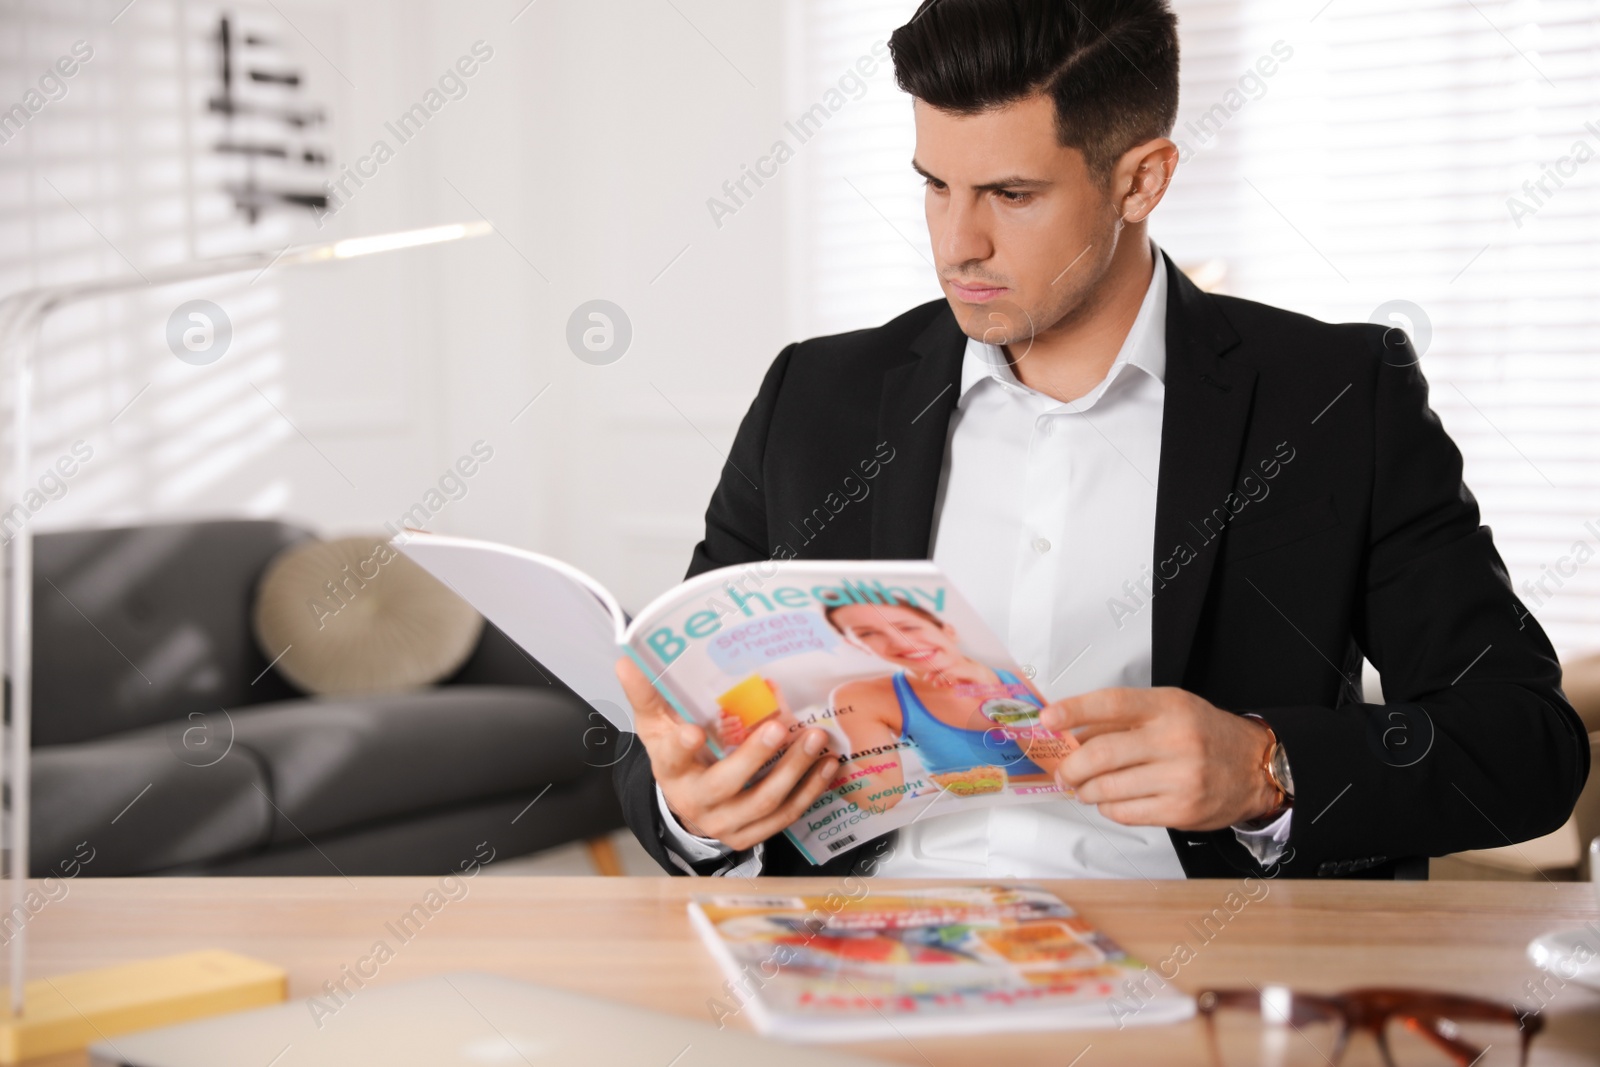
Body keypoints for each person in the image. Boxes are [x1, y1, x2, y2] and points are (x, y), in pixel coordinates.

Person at [612, 0, 1590, 879]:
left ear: (1141, 181)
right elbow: (665, 713)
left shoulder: (1333, 398)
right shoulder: (815, 394)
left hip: (1197, 976)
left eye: (1010, 193)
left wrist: (1264, 768)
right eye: (934, 185)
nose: (956, 242)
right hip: (863, 964)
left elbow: (1523, 746)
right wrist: (694, 811)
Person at [823, 598, 1071, 811]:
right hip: (955, 826)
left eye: (908, 627)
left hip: (1050, 814)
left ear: (947, 630)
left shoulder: (1025, 676)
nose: (899, 642)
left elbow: (1070, 774)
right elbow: (881, 800)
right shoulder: (863, 695)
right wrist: (818, 756)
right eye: (867, 633)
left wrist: (995, 696)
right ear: (856, 645)